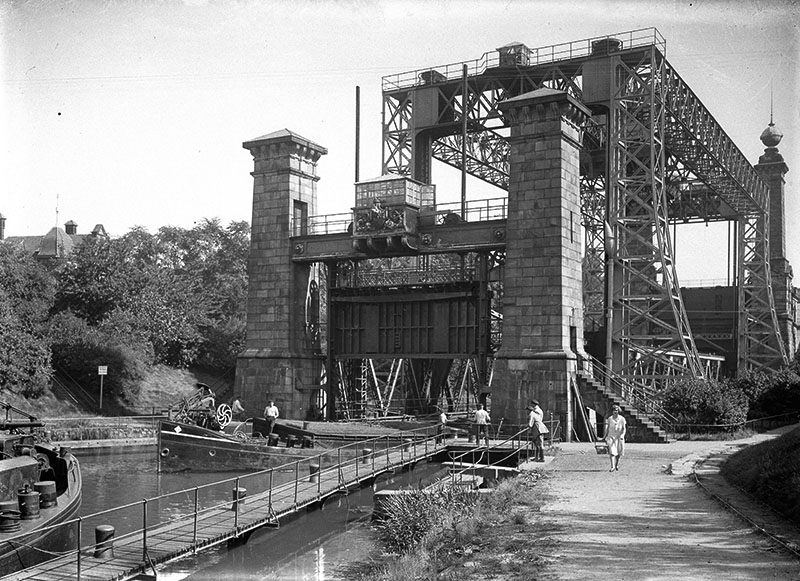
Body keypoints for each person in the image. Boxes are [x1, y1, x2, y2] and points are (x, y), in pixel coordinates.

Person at [603, 404, 627, 471]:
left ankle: (616, 465)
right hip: (611, 437)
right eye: (614, 410)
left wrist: (622, 435)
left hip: (619, 437)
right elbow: (607, 428)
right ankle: (612, 466)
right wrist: (604, 436)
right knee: (612, 452)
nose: (615, 412)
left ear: (618, 411)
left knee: (618, 453)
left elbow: (624, 429)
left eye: (616, 410)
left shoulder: (622, 419)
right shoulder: (610, 419)